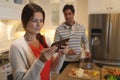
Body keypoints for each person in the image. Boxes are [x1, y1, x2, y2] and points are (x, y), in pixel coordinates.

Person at [9, 3, 67, 80]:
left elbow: (54, 69)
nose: (39, 24)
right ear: (25, 21)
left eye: (41, 20)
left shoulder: (46, 40)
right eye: (34, 20)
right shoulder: (16, 47)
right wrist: (40, 61)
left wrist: (61, 55)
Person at [54, 4, 91, 73]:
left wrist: (87, 50)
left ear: (73, 14)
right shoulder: (59, 29)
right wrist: (67, 51)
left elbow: (85, 41)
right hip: (64, 62)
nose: (67, 16)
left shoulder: (81, 27)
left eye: (69, 14)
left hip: (78, 61)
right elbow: (55, 47)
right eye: (65, 14)